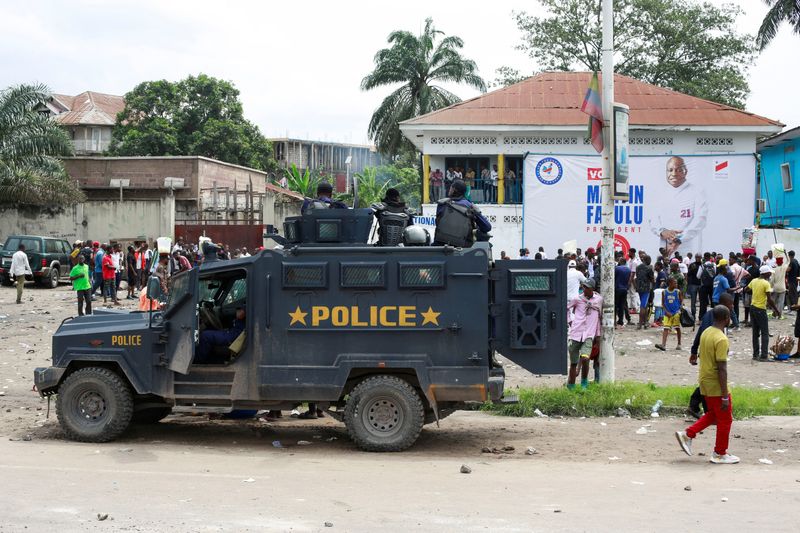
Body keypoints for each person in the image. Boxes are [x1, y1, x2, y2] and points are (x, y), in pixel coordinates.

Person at [675, 305, 738, 464]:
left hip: (704, 380)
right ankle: (719, 453)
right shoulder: (721, 338)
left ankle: (688, 434)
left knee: (714, 415)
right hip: (716, 383)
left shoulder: (706, 332)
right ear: (726, 318)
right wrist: (725, 396)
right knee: (725, 419)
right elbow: (722, 368)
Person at [648, 156, 708, 256]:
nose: (674, 174)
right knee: (663, 269)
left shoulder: (697, 192)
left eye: (678, 170)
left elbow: (700, 220)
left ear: (686, 171)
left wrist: (679, 239)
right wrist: (662, 231)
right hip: (664, 246)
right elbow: (652, 218)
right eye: (670, 170)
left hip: (688, 247)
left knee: (685, 270)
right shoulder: (659, 193)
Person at [688, 293, 733, 418]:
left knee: (707, 380)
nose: (732, 306)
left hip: (711, 352)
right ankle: (700, 407)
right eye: (730, 304)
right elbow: (702, 333)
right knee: (711, 380)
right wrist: (693, 351)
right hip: (710, 353)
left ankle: (703, 410)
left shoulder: (716, 318)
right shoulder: (712, 318)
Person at [566, 278, 602, 390]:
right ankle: (571, 386)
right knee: (573, 363)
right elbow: (566, 308)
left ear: (592, 289)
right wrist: (570, 321)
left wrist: (598, 335)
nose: (584, 289)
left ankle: (584, 383)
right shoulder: (577, 299)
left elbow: (599, 318)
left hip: (589, 335)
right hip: (575, 333)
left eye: (586, 287)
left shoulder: (598, 300)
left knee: (585, 358)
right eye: (583, 287)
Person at [433, 179, 491, 247]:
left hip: (440, 247)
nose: (449, 189)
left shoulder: (442, 204)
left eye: (451, 187)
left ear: (454, 189)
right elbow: (487, 227)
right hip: (463, 249)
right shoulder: (471, 207)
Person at [746, 265, 781, 361]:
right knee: (765, 333)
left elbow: (746, 289)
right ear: (765, 273)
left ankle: (755, 354)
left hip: (752, 308)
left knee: (755, 333)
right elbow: (770, 299)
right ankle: (764, 356)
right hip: (761, 309)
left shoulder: (754, 281)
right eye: (769, 273)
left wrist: (755, 292)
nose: (770, 274)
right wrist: (776, 310)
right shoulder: (766, 283)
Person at [655, 276, 683, 351]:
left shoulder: (678, 292)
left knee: (677, 328)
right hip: (667, 313)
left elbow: (681, 302)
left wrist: (679, 310)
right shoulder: (664, 292)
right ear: (670, 283)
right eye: (675, 283)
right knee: (666, 328)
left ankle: (679, 343)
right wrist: (666, 312)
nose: (676, 284)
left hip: (676, 313)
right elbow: (663, 304)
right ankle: (663, 345)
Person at [635, 255, 654, 329]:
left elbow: (637, 277)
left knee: (644, 305)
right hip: (646, 289)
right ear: (648, 260)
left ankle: (646, 322)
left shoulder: (638, 267)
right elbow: (652, 280)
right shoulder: (649, 268)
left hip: (639, 288)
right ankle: (640, 323)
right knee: (643, 306)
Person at [614, 257, 631, 326]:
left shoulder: (617, 268)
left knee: (615, 305)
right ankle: (620, 320)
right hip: (624, 289)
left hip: (617, 288)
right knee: (622, 305)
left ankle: (614, 320)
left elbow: (614, 278)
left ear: (620, 261)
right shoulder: (628, 269)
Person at [687, 254, 702, 319]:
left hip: (701, 285)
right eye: (696, 257)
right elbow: (688, 274)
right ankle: (693, 316)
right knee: (693, 301)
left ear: (701, 258)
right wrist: (692, 269)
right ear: (695, 257)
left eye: (699, 257)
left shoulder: (703, 265)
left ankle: (701, 316)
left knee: (702, 301)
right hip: (693, 285)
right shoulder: (692, 264)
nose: (697, 258)